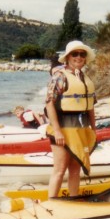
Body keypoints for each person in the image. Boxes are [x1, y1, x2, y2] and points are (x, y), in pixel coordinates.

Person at [45, 40, 98, 197]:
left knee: (75, 169)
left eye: (82, 54)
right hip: (63, 128)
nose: (79, 57)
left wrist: (93, 130)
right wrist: (57, 131)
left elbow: (90, 107)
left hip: (81, 129)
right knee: (60, 170)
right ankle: (52, 203)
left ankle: (73, 200)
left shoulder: (85, 78)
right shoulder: (60, 77)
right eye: (75, 54)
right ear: (68, 57)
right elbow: (49, 104)